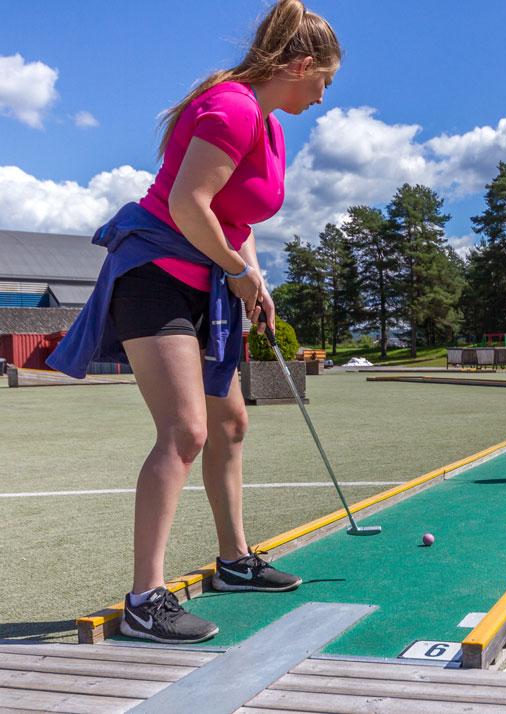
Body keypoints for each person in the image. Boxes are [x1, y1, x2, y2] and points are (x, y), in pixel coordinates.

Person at [47, 0, 341, 644]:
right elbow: (188, 203)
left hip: (206, 281)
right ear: (301, 64)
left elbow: (241, 218)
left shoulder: (268, 123)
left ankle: (234, 562)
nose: (323, 98)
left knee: (231, 422)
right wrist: (235, 270)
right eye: (324, 82)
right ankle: (144, 600)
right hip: (154, 276)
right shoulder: (232, 106)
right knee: (185, 432)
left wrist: (252, 276)